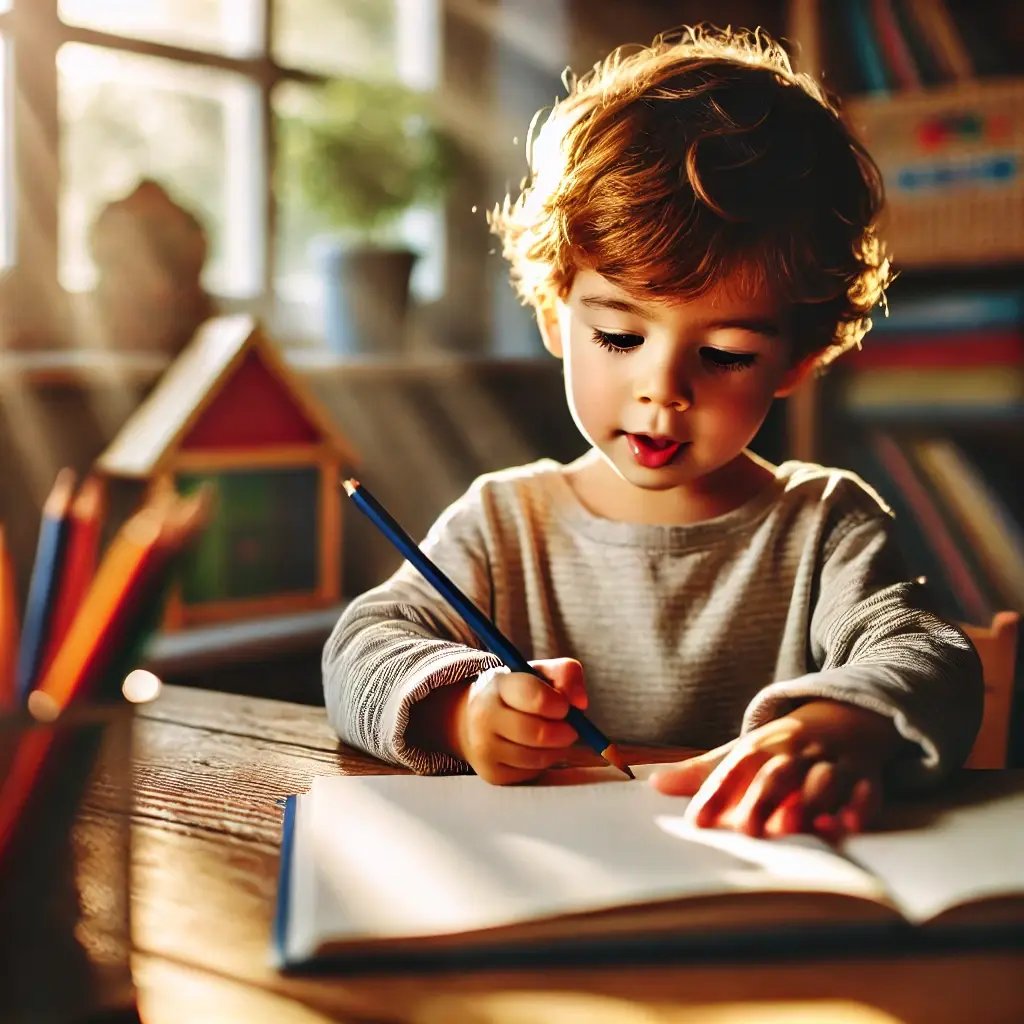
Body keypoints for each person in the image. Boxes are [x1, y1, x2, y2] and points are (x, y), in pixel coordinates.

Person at [323, 25, 982, 839]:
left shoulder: (824, 525)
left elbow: (932, 658)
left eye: (725, 354)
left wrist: (836, 726)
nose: (662, 391)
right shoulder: (504, 525)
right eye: (620, 338)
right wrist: (461, 708)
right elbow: (357, 650)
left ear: (798, 361)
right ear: (554, 313)